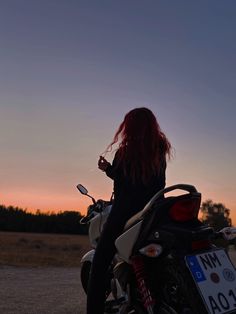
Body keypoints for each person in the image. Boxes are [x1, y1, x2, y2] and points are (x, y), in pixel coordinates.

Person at [86, 107, 172, 314]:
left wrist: (107, 169)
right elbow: (148, 183)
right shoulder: (160, 148)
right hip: (155, 212)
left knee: (99, 265)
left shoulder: (125, 152)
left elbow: (126, 184)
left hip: (126, 214)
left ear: (129, 127)